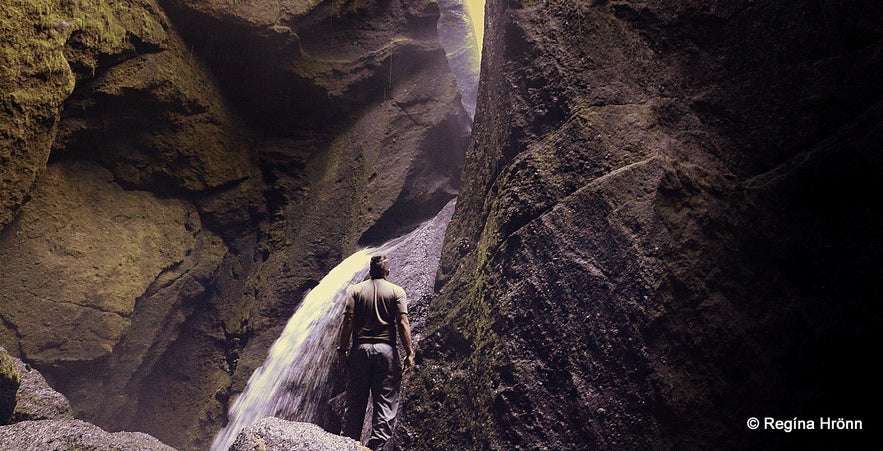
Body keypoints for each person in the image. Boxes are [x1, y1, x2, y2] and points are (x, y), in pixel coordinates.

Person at [336, 254, 414, 451]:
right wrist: (409, 352)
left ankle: (348, 445)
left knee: (354, 402)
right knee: (385, 403)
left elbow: (347, 321)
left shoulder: (355, 290)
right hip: (386, 351)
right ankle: (376, 447)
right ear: (387, 271)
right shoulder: (397, 291)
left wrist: (342, 350)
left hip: (360, 350)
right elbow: (403, 323)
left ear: (370, 270)